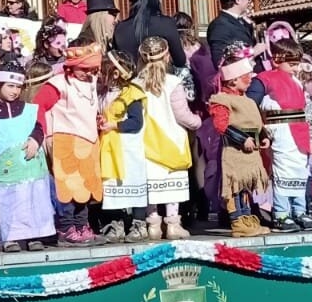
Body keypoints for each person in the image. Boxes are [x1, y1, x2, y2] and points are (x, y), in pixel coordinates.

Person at [32, 41, 103, 245]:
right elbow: (38, 106)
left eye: (92, 69)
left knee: (86, 187)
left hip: (88, 141)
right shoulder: (58, 84)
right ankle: (66, 228)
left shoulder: (91, 82)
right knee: (68, 189)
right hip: (65, 141)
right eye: (84, 69)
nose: (88, 73)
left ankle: (82, 225)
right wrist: (41, 134)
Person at [0, 55, 54, 252]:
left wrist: (35, 140)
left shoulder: (29, 109)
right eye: (10, 86)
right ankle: (10, 238)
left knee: (33, 200)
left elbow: (39, 128)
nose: (14, 91)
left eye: (18, 87)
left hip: (30, 166)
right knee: (9, 203)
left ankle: (34, 236)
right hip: (5, 170)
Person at [135, 37, 199, 239]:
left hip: (146, 143)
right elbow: (182, 115)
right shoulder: (173, 83)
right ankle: (173, 224)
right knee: (172, 186)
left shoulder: (135, 84)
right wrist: (197, 122)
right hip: (172, 141)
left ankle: (153, 224)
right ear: (167, 56)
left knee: (151, 186)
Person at [257, 39, 312, 233]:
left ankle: (299, 211)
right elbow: (252, 103)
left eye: (297, 64)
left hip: (299, 132)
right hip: (279, 132)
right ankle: (281, 214)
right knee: (282, 171)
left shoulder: (297, 83)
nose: (295, 68)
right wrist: (261, 131)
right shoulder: (264, 79)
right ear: (277, 59)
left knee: (300, 171)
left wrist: (309, 139)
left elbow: (303, 113)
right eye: (291, 64)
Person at [208, 54, 270, 238]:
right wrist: (242, 139)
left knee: (245, 187)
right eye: (246, 76)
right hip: (235, 152)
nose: (250, 79)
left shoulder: (248, 100)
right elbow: (221, 125)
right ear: (233, 80)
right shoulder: (222, 99)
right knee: (235, 186)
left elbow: (256, 122)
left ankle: (247, 218)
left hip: (251, 154)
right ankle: (238, 221)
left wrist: (263, 136)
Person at [99, 48, 148, 241]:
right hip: (109, 146)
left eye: (104, 68)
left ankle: (139, 224)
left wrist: (115, 125)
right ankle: (116, 224)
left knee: (133, 182)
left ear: (115, 73)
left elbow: (136, 122)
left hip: (128, 148)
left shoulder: (131, 93)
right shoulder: (103, 93)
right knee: (111, 185)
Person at [112, 0, 188, 68]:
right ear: (156, 3)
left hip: (130, 75)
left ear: (135, 4)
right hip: (159, 74)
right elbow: (180, 61)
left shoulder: (120, 28)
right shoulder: (167, 23)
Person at [205, 0, 255, 69]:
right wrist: (254, 51)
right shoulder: (219, 26)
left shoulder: (242, 22)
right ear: (238, 0)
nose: (249, 1)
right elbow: (220, 61)